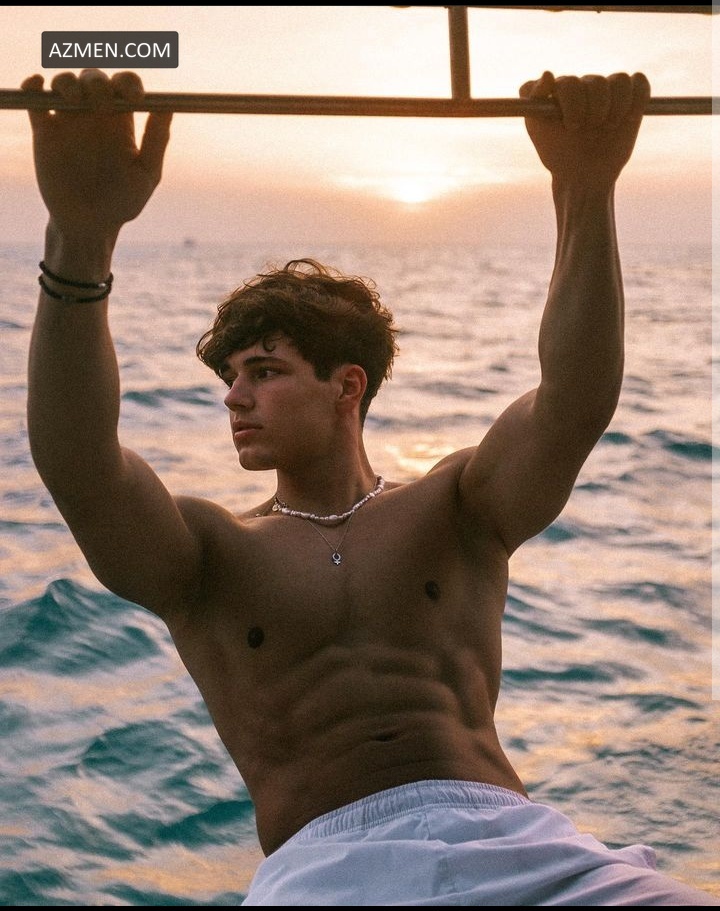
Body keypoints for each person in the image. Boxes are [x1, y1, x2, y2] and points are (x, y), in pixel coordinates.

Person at [21, 67, 718, 907]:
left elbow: (574, 401)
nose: (235, 397)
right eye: (229, 377)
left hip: (519, 844)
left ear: (346, 386)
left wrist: (585, 185)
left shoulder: (454, 507)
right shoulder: (209, 552)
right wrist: (81, 239)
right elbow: (80, 464)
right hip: (327, 871)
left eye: (264, 371)